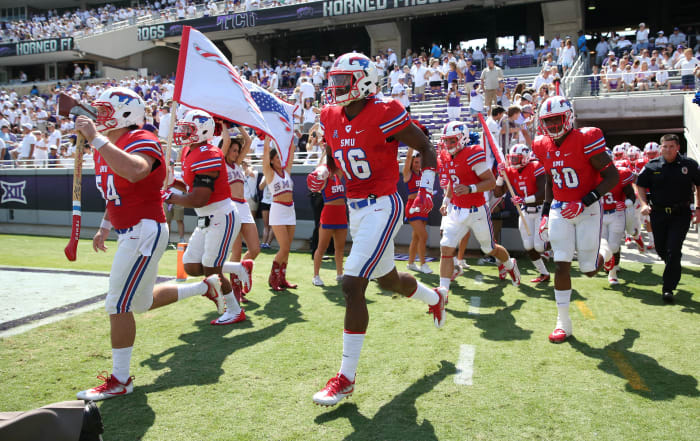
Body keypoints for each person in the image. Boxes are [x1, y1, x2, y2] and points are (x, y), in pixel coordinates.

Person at [73, 88, 229, 401]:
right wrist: (104, 228)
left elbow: (135, 171)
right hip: (128, 230)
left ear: (126, 113)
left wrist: (97, 139)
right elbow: (113, 193)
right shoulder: (107, 146)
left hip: (144, 230)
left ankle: (120, 379)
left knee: (117, 304)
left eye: (105, 112)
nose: (99, 118)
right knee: (140, 303)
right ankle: (205, 288)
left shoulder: (141, 138)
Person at [311, 53, 445, 407]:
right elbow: (332, 152)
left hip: (383, 203)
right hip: (356, 209)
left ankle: (345, 378)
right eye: (334, 80)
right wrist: (324, 172)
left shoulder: (385, 111)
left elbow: (425, 146)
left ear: (364, 82)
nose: (335, 88)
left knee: (352, 282)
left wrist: (425, 189)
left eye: (343, 81)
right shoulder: (329, 115)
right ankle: (435, 298)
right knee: (390, 282)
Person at [533, 96, 619, 343]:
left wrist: (584, 201)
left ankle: (607, 250)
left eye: (556, 120)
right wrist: (546, 214)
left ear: (569, 117)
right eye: (546, 122)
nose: (551, 126)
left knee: (589, 270)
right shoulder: (542, 144)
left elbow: (611, 177)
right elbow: (550, 180)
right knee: (561, 263)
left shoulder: (586, 138)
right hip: (560, 209)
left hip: (587, 208)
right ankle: (563, 322)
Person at [166, 109, 251, 326]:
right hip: (207, 217)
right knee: (192, 266)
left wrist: (169, 196)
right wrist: (170, 182)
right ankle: (238, 267)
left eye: (187, 129)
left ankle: (234, 310)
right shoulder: (188, 151)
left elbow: (199, 198)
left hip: (221, 215)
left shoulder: (208, 154)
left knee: (212, 270)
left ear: (202, 131)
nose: (182, 132)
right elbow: (189, 187)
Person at [438, 121, 521, 297]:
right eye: (447, 141)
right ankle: (442, 293)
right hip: (457, 210)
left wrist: (470, 189)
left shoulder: (472, 153)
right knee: (445, 247)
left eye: (452, 141)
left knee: (488, 248)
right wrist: (446, 200)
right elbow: (452, 183)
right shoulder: (446, 155)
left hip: (476, 210)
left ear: (463, 138)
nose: (449, 145)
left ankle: (510, 265)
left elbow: (490, 182)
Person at [636, 134, 700, 303]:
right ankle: (673, 265)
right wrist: (643, 204)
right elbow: (640, 185)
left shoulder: (689, 165)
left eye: (671, 146)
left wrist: (698, 209)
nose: (668, 150)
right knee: (662, 249)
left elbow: (699, 186)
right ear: (661, 148)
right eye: (665, 146)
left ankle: (668, 288)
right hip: (658, 214)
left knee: (673, 249)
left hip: (681, 214)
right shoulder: (652, 165)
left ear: (678, 147)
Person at [493, 144, 550, 283]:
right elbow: (497, 193)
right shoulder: (510, 170)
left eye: (516, 159)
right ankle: (544, 273)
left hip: (540, 209)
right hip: (524, 211)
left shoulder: (536, 166)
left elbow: (544, 193)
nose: (513, 162)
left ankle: (553, 241)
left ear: (525, 158)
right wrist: (500, 177)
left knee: (539, 246)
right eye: (511, 159)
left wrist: (525, 199)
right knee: (528, 246)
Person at [221, 123, 259, 303]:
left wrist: (241, 126)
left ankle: (243, 271)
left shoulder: (237, 165)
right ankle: (235, 291)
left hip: (243, 206)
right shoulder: (221, 163)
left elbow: (249, 141)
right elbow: (227, 140)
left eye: (237, 150)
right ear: (226, 149)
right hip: (231, 207)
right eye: (233, 150)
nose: (236, 153)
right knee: (235, 252)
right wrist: (224, 124)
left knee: (255, 249)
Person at [262, 138, 297, 291]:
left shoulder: (286, 171)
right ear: (271, 161)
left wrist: (289, 135)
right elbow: (265, 154)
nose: (280, 159)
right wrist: (268, 139)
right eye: (277, 157)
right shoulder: (269, 174)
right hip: (278, 210)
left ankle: (282, 278)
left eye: (280, 157)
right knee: (283, 247)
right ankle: (273, 277)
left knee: (287, 248)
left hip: (290, 209)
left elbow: (292, 153)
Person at [308, 158, 347, 286]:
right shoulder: (323, 178)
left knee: (340, 248)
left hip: (341, 214)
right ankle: (316, 276)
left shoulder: (339, 175)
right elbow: (314, 178)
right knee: (322, 247)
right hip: (329, 214)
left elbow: (342, 160)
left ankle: (340, 274)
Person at [600, 164, 636, 285]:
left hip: (617, 213)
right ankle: (610, 267)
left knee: (614, 246)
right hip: (598, 215)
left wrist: (626, 202)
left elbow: (631, 195)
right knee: (602, 243)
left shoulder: (620, 174)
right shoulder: (590, 175)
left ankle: (612, 272)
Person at [403, 147, 431, 274]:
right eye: (415, 162)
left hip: (423, 208)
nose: (417, 164)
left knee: (416, 237)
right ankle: (423, 264)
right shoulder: (408, 174)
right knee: (424, 236)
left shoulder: (423, 174)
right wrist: (411, 147)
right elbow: (408, 158)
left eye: (419, 162)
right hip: (412, 208)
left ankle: (410, 263)